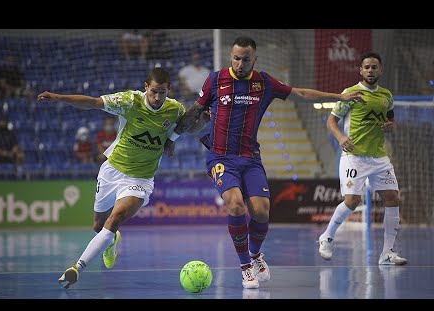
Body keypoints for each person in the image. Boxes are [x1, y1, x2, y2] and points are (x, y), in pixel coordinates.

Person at [165, 36, 365, 289]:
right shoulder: (215, 80)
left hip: (250, 157)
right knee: (236, 206)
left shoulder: (263, 82)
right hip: (220, 156)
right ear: (231, 57)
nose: (239, 63)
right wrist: (172, 137)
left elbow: (300, 93)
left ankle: (256, 255)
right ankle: (245, 267)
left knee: (261, 212)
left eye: (245, 59)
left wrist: (340, 96)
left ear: (254, 59)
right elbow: (195, 110)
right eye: (236, 58)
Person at [37, 67, 207, 289]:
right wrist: (58, 97)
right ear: (146, 87)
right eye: (154, 91)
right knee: (99, 225)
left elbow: (187, 128)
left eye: (162, 93)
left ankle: (77, 268)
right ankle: (111, 240)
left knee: (114, 218)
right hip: (112, 170)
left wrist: (203, 120)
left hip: (141, 179)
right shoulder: (129, 101)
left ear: (169, 91)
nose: (157, 98)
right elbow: (93, 102)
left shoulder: (174, 109)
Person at [317, 51, 407, 266]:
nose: (370, 70)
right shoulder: (350, 93)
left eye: (374, 67)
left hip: (378, 157)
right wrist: (340, 137)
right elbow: (331, 121)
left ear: (380, 70)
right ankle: (326, 237)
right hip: (353, 156)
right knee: (352, 201)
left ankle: (387, 253)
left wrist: (391, 126)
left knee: (393, 198)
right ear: (360, 70)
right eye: (366, 67)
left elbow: (391, 121)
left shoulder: (386, 96)